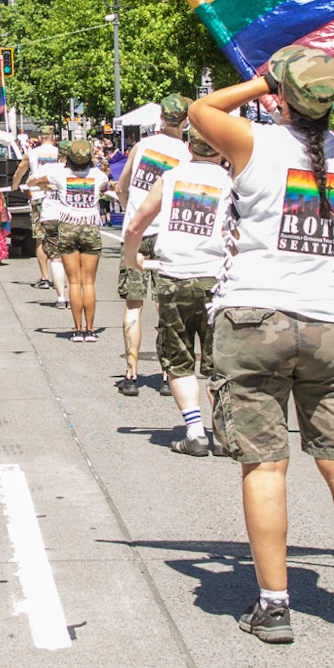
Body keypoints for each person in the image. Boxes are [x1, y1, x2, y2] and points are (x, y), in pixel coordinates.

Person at [188, 45, 334, 646]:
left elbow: (199, 109)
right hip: (332, 320)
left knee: (265, 466)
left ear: (279, 94)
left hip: (254, 315)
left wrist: (258, 81)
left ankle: (275, 604)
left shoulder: (254, 143)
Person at [121, 127, 233, 456]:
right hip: (218, 280)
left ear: (188, 146)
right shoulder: (232, 183)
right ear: (221, 149)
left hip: (174, 277)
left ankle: (195, 431)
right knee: (220, 361)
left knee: (178, 356)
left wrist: (133, 258)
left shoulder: (170, 179)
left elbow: (135, 225)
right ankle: (224, 432)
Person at [115, 96, 191, 394]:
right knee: (165, 306)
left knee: (133, 305)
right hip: (166, 236)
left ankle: (131, 375)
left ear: (161, 118)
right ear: (185, 121)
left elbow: (121, 186)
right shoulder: (186, 154)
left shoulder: (142, 146)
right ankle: (165, 374)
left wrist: (129, 208)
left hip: (136, 232)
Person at [37, 140, 108, 341]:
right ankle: (91, 330)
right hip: (90, 227)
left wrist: (47, 186)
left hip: (68, 227)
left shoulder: (59, 174)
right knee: (89, 282)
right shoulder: (98, 175)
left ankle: (77, 330)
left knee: (74, 282)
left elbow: (35, 180)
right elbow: (105, 186)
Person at [13, 126, 65, 305]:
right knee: (61, 236)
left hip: (38, 196)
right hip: (59, 196)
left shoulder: (32, 153)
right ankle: (62, 274)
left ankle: (44, 277)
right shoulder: (61, 153)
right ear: (53, 136)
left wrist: (14, 186)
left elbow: (20, 169)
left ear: (40, 137)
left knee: (40, 238)